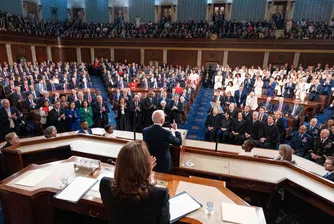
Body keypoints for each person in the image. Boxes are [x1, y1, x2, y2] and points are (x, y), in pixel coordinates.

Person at [100, 141, 170, 224]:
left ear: (119, 164)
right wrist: (147, 173)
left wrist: (146, 171)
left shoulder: (105, 184)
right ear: (145, 166)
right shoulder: (161, 195)